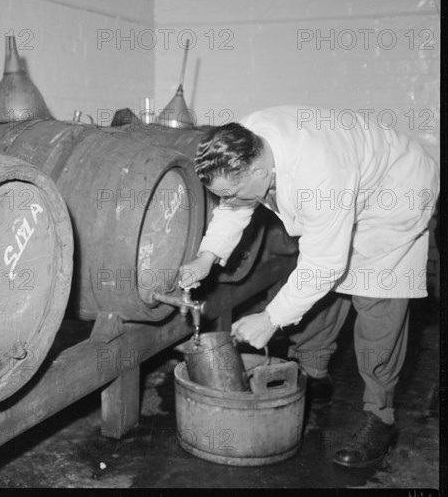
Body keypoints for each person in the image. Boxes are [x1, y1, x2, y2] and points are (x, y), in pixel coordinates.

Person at [179, 105, 439, 468]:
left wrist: (270, 318)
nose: (229, 201)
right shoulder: (245, 143)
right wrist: (207, 256)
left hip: (395, 193)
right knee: (320, 287)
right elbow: (234, 205)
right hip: (349, 182)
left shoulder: (319, 172)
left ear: (258, 169)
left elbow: (325, 263)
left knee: (375, 296)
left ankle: (380, 417)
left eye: (233, 192)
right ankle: (315, 374)